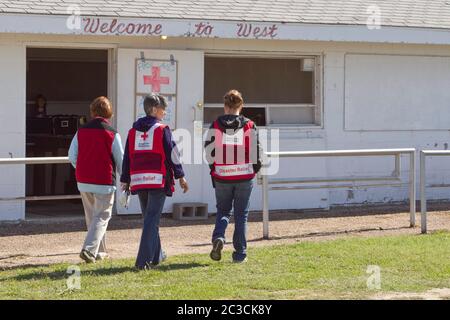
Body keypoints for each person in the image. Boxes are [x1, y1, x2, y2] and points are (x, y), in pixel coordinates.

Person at [120, 93, 189, 270]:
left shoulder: (133, 131)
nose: (164, 112)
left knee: (149, 219)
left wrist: (125, 180)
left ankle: (157, 256)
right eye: (162, 109)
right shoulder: (162, 129)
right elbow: (172, 153)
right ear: (153, 109)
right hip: (157, 179)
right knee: (152, 220)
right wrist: (180, 175)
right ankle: (142, 261)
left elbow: (127, 156)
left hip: (138, 179)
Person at [204, 89, 262, 263]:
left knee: (223, 210)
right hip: (244, 175)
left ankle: (219, 237)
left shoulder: (215, 125)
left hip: (222, 175)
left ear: (225, 107)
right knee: (241, 215)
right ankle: (239, 254)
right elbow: (256, 151)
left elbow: (208, 151)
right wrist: (255, 170)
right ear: (241, 106)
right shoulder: (249, 125)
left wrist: (214, 168)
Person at [68, 96, 124, 263]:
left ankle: (100, 252)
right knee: (102, 217)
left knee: (92, 217)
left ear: (92, 112)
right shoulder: (112, 133)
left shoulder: (81, 131)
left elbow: (72, 155)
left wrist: (82, 168)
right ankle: (90, 249)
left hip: (83, 181)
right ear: (109, 113)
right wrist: (125, 179)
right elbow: (120, 158)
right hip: (104, 181)